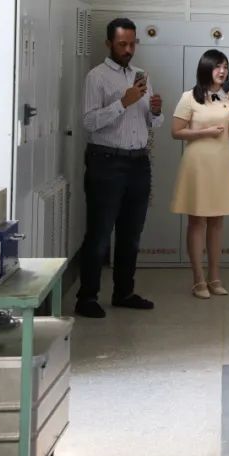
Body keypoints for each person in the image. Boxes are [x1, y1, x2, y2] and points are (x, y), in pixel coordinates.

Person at [76, 18, 162, 318]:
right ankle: (87, 297)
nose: (128, 49)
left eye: (132, 43)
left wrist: (155, 111)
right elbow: (88, 121)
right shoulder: (96, 77)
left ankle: (124, 292)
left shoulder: (141, 76)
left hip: (139, 162)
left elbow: (152, 123)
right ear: (109, 44)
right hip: (106, 162)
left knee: (131, 234)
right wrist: (123, 103)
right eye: (122, 44)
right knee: (100, 234)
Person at [170, 50, 229, 299]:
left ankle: (215, 277)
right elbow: (176, 131)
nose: (222, 71)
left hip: (222, 163)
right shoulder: (189, 97)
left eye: (225, 66)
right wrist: (205, 132)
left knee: (217, 222)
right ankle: (198, 279)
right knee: (197, 222)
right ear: (206, 69)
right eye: (217, 67)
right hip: (198, 164)